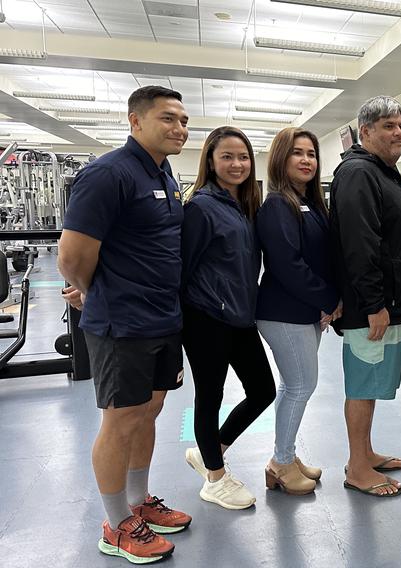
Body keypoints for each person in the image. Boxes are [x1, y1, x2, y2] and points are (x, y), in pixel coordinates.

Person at [58, 85, 192, 564]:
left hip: (163, 319)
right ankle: (116, 525)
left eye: (183, 120)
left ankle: (139, 503)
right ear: (135, 122)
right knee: (119, 421)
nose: (179, 128)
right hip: (123, 322)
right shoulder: (108, 173)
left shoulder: (165, 172)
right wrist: (97, 295)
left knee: (149, 411)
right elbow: (72, 257)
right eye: (168, 119)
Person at [330, 95, 401, 497]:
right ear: (365, 131)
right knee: (363, 384)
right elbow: (360, 244)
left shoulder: (386, 172)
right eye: (389, 125)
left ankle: (365, 452)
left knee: (373, 382)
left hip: (391, 301)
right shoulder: (357, 173)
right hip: (371, 306)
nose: (398, 132)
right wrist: (374, 305)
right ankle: (356, 467)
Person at [180, 126, 276, 509]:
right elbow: (182, 269)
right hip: (205, 317)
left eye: (243, 157)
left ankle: (211, 451)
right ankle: (215, 479)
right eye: (227, 157)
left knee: (263, 390)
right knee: (210, 396)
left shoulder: (244, 206)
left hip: (239, 316)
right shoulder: (201, 207)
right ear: (210, 161)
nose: (237, 164)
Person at [256, 127, 340, 496]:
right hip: (284, 312)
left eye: (311, 153)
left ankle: (287, 457)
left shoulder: (311, 202)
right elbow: (288, 265)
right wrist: (328, 300)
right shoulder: (277, 204)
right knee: (301, 385)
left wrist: (328, 299)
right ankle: (280, 462)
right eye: (297, 153)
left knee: (294, 385)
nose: (306, 160)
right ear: (281, 159)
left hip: (305, 311)